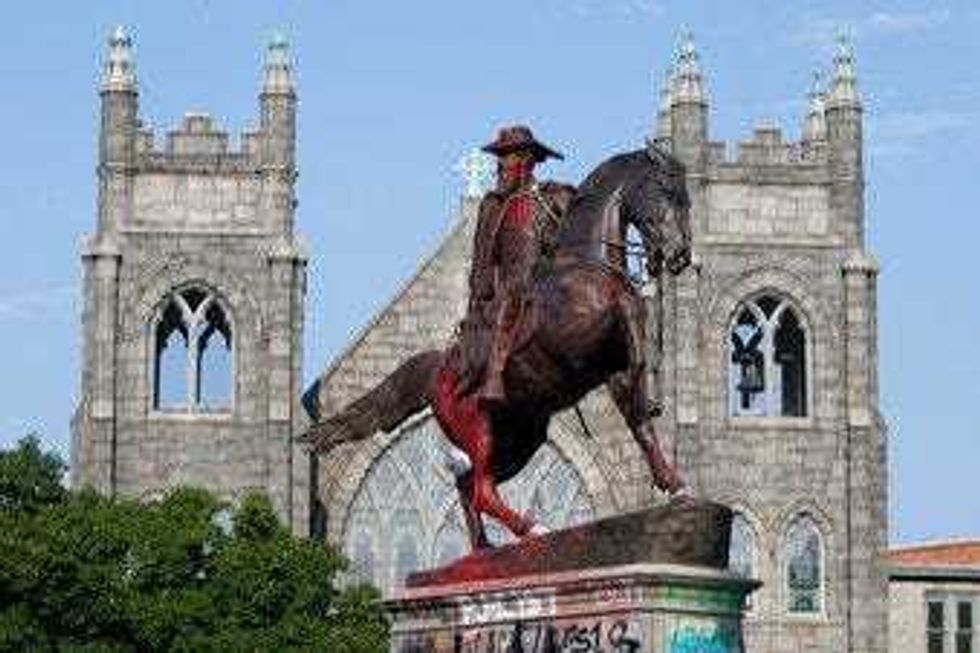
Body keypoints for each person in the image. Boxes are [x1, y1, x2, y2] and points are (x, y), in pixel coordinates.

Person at [454, 125, 575, 405]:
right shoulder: (493, 204)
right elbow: (483, 258)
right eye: (501, 157)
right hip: (509, 287)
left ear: (528, 161)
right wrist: (477, 304)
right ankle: (494, 378)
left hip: (546, 282)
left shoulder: (548, 197)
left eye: (509, 156)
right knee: (512, 296)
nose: (502, 165)